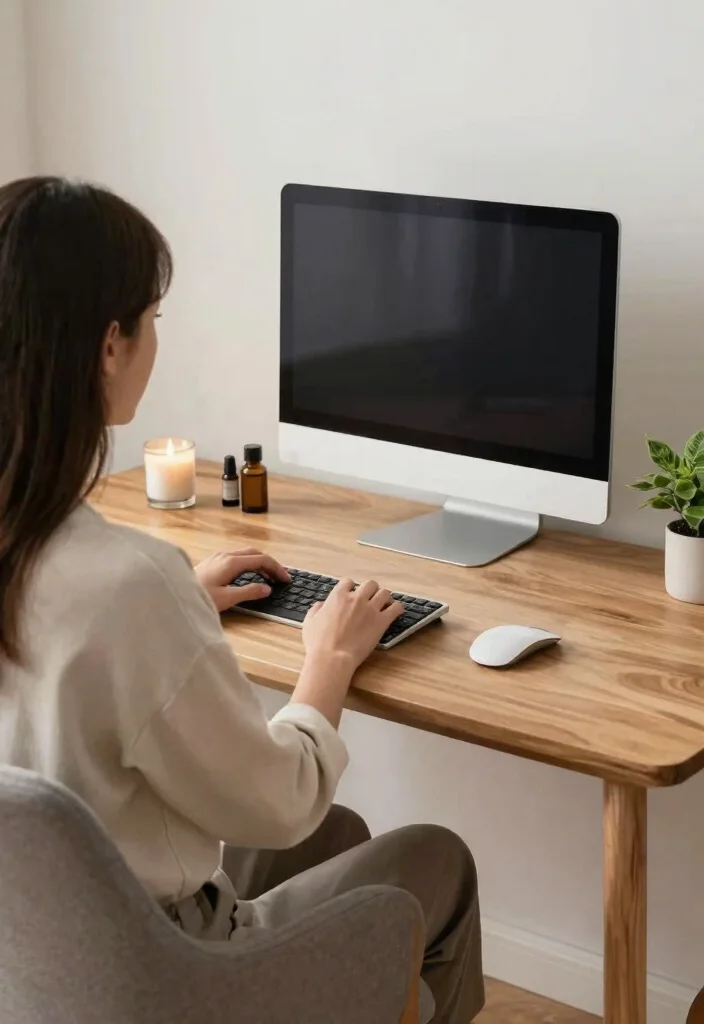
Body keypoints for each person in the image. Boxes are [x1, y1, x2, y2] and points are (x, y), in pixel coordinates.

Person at [0, 177, 484, 1022]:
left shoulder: (103, 582)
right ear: (108, 346)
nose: (155, 342)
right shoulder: (126, 586)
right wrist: (328, 663)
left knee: (344, 837)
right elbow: (283, 801)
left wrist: (175, 609)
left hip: (38, 968)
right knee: (435, 859)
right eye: (152, 320)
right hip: (172, 972)